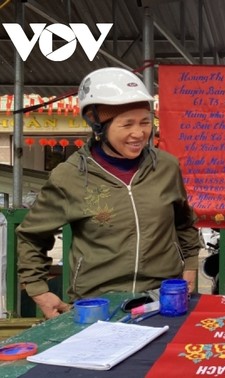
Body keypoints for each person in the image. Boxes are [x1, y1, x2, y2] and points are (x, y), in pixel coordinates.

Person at [16, 67, 203, 319]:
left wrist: (190, 266)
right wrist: (39, 290)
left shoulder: (166, 167)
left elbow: (184, 222)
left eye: (146, 122)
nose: (139, 133)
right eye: (127, 124)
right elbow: (31, 236)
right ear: (98, 126)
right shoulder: (70, 176)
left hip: (161, 299)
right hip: (98, 304)